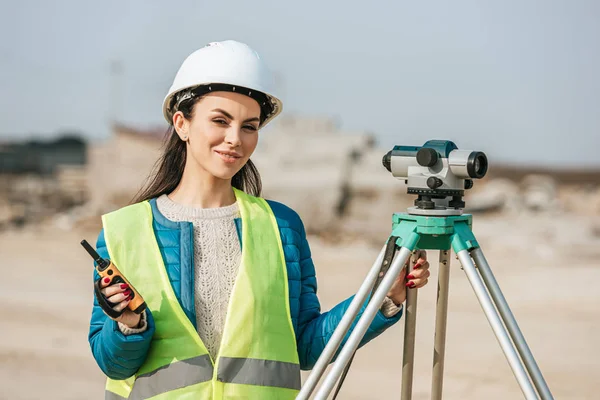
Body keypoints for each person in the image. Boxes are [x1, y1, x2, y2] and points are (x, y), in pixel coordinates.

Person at [88, 40, 431, 400]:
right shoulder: (122, 232)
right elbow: (114, 365)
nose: (234, 139)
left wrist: (383, 298)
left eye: (249, 126)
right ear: (182, 123)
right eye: (220, 121)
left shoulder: (280, 227)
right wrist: (128, 324)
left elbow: (306, 345)